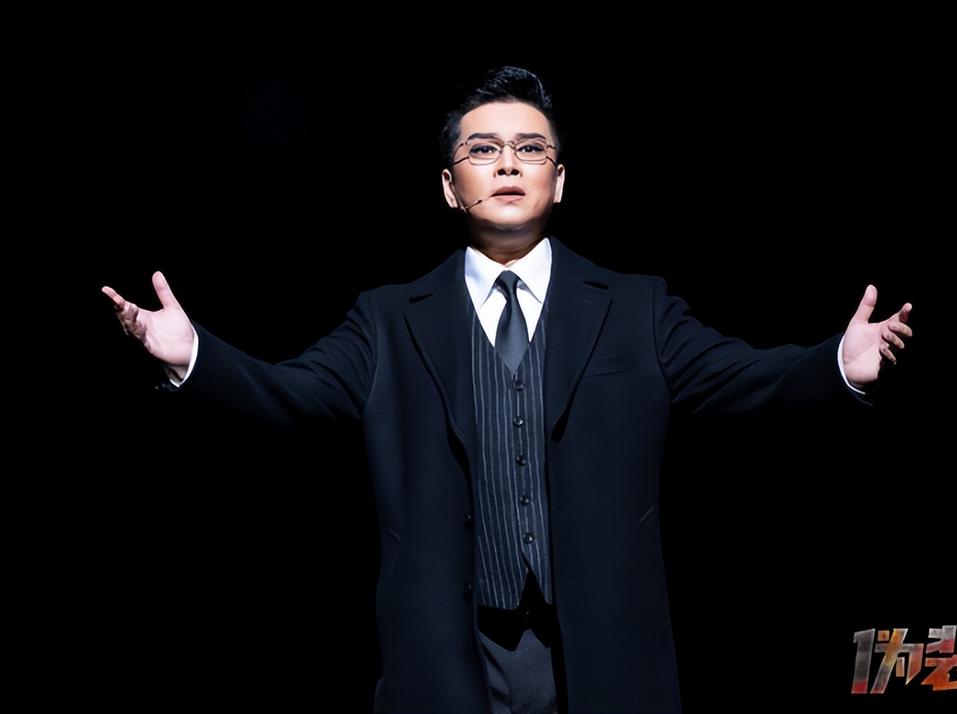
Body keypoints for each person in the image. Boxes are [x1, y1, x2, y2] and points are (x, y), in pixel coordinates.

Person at [101, 66, 912, 713]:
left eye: (530, 149)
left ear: (559, 180)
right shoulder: (388, 319)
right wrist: (193, 354)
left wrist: (835, 363)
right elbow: (292, 396)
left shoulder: (636, 308)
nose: (508, 164)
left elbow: (743, 378)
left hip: (602, 650)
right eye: (483, 150)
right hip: (450, 656)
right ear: (449, 186)